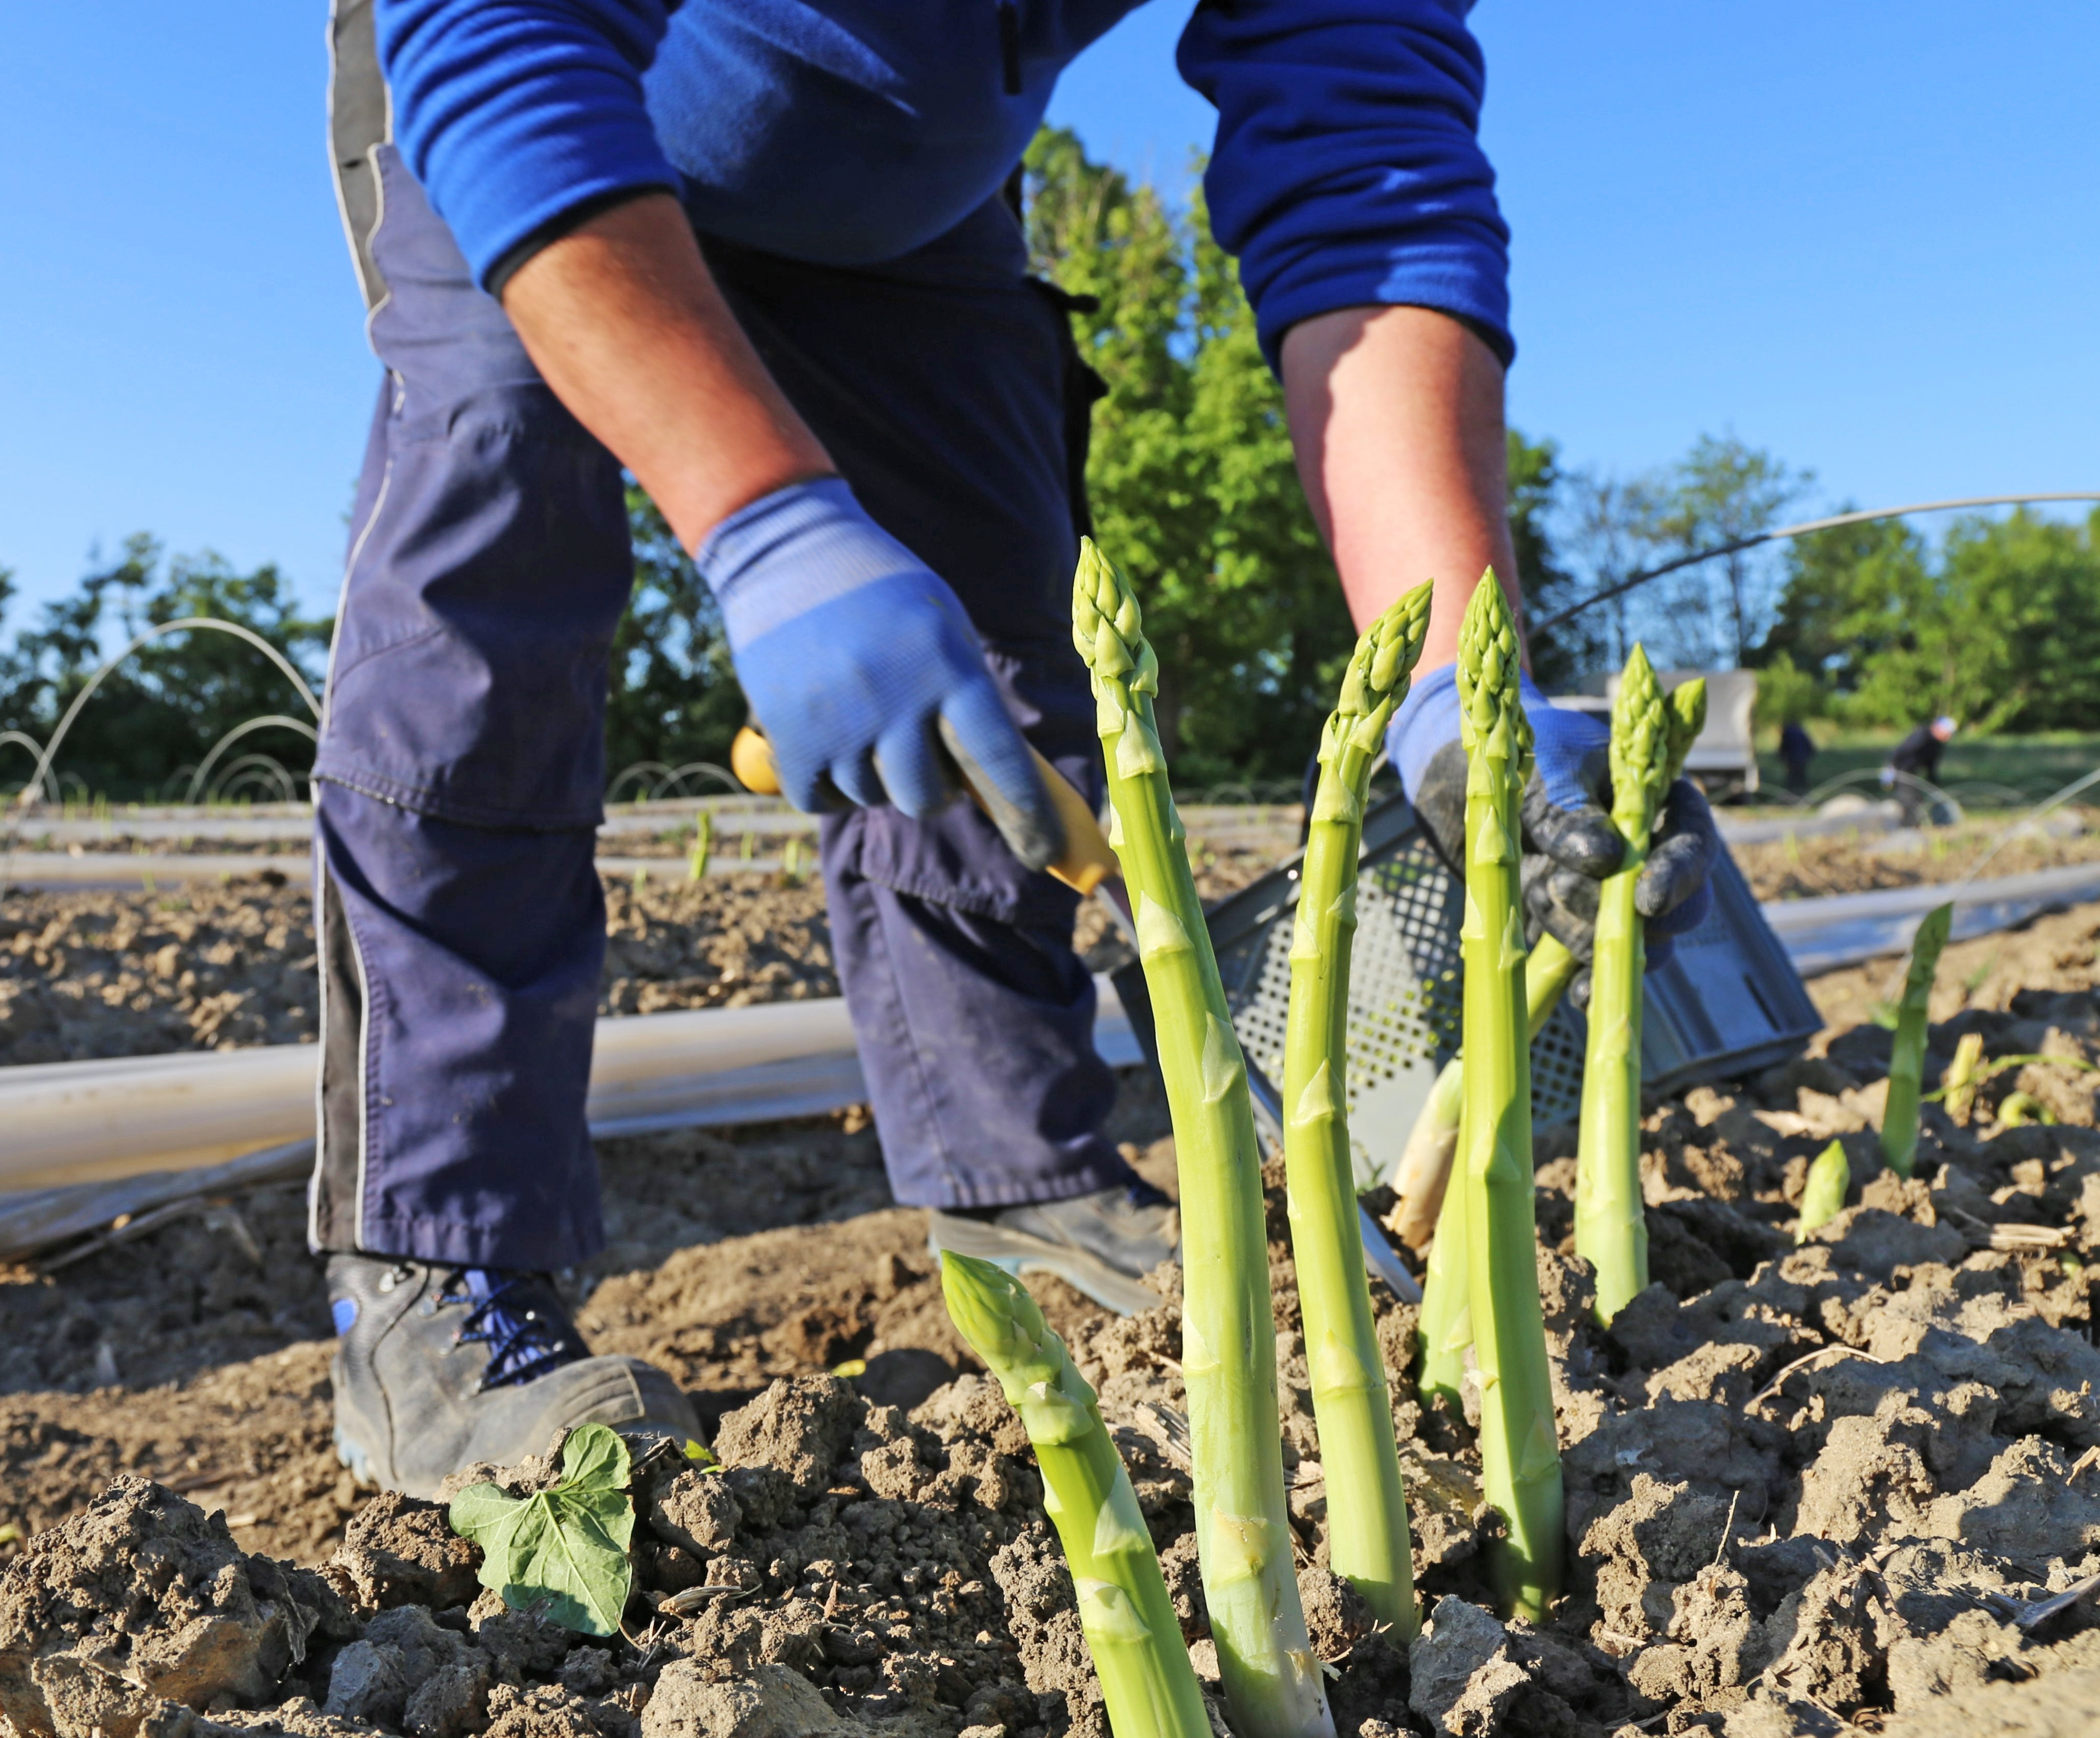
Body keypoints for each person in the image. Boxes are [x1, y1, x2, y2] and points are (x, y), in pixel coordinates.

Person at [308, 0, 1716, 1497]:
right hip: (544, 88)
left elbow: (1365, 182)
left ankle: (1014, 1174)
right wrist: (766, 520)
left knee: (1005, 620)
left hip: (909, 192)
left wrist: (1450, 684)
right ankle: (434, 1263)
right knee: (492, 571)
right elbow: (501, 28)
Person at [1882, 715, 1957, 826]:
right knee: (1909, 801)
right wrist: (1891, 768)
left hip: (1911, 772)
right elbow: (1901, 752)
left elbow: (1931, 765)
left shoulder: (1936, 744)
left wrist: (1934, 783)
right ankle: (1907, 828)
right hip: (1902, 770)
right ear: (1938, 728)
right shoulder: (1922, 736)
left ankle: (1914, 826)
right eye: (1947, 733)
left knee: (1917, 800)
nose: (1949, 737)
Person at [1779, 718, 1817, 796]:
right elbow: (1810, 745)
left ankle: (1792, 794)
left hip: (1792, 758)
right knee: (1801, 775)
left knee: (1792, 776)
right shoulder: (1802, 732)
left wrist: (1781, 756)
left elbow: (1784, 746)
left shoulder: (1787, 732)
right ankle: (1804, 793)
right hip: (1803, 757)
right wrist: (1810, 754)